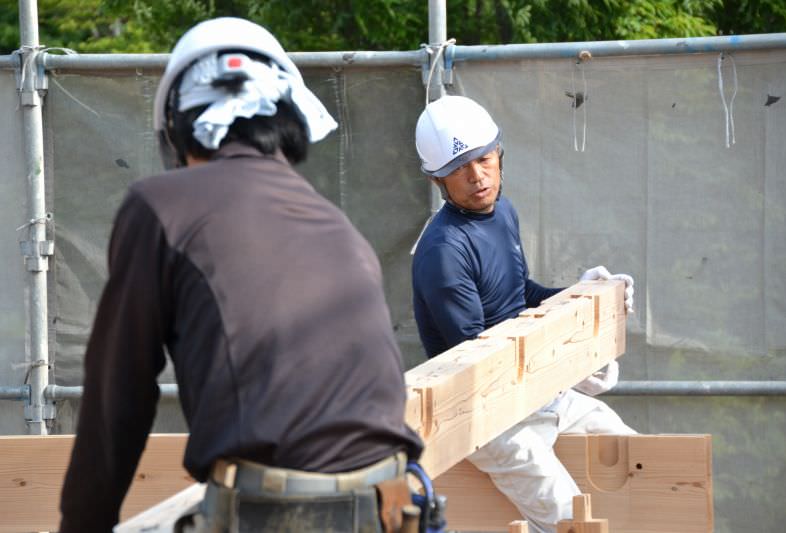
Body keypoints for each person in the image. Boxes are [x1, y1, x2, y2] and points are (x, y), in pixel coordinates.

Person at [59, 17, 423, 533]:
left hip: (276, 513)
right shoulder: (334, 222)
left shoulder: (161, 204)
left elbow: (117, 399)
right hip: (392, 506)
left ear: (176, 128)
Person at [411, 95, 636, 533]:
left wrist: (581, 299)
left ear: (498, 154)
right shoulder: (443, 251)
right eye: (459, 168)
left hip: (534, 391)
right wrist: (566, 364)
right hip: (482, 417)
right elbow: (477, 358)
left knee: (635, 459)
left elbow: (521, 296)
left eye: (483, 159)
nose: (476, 176)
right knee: (571, 517)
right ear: (438, 179)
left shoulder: (502, 212)